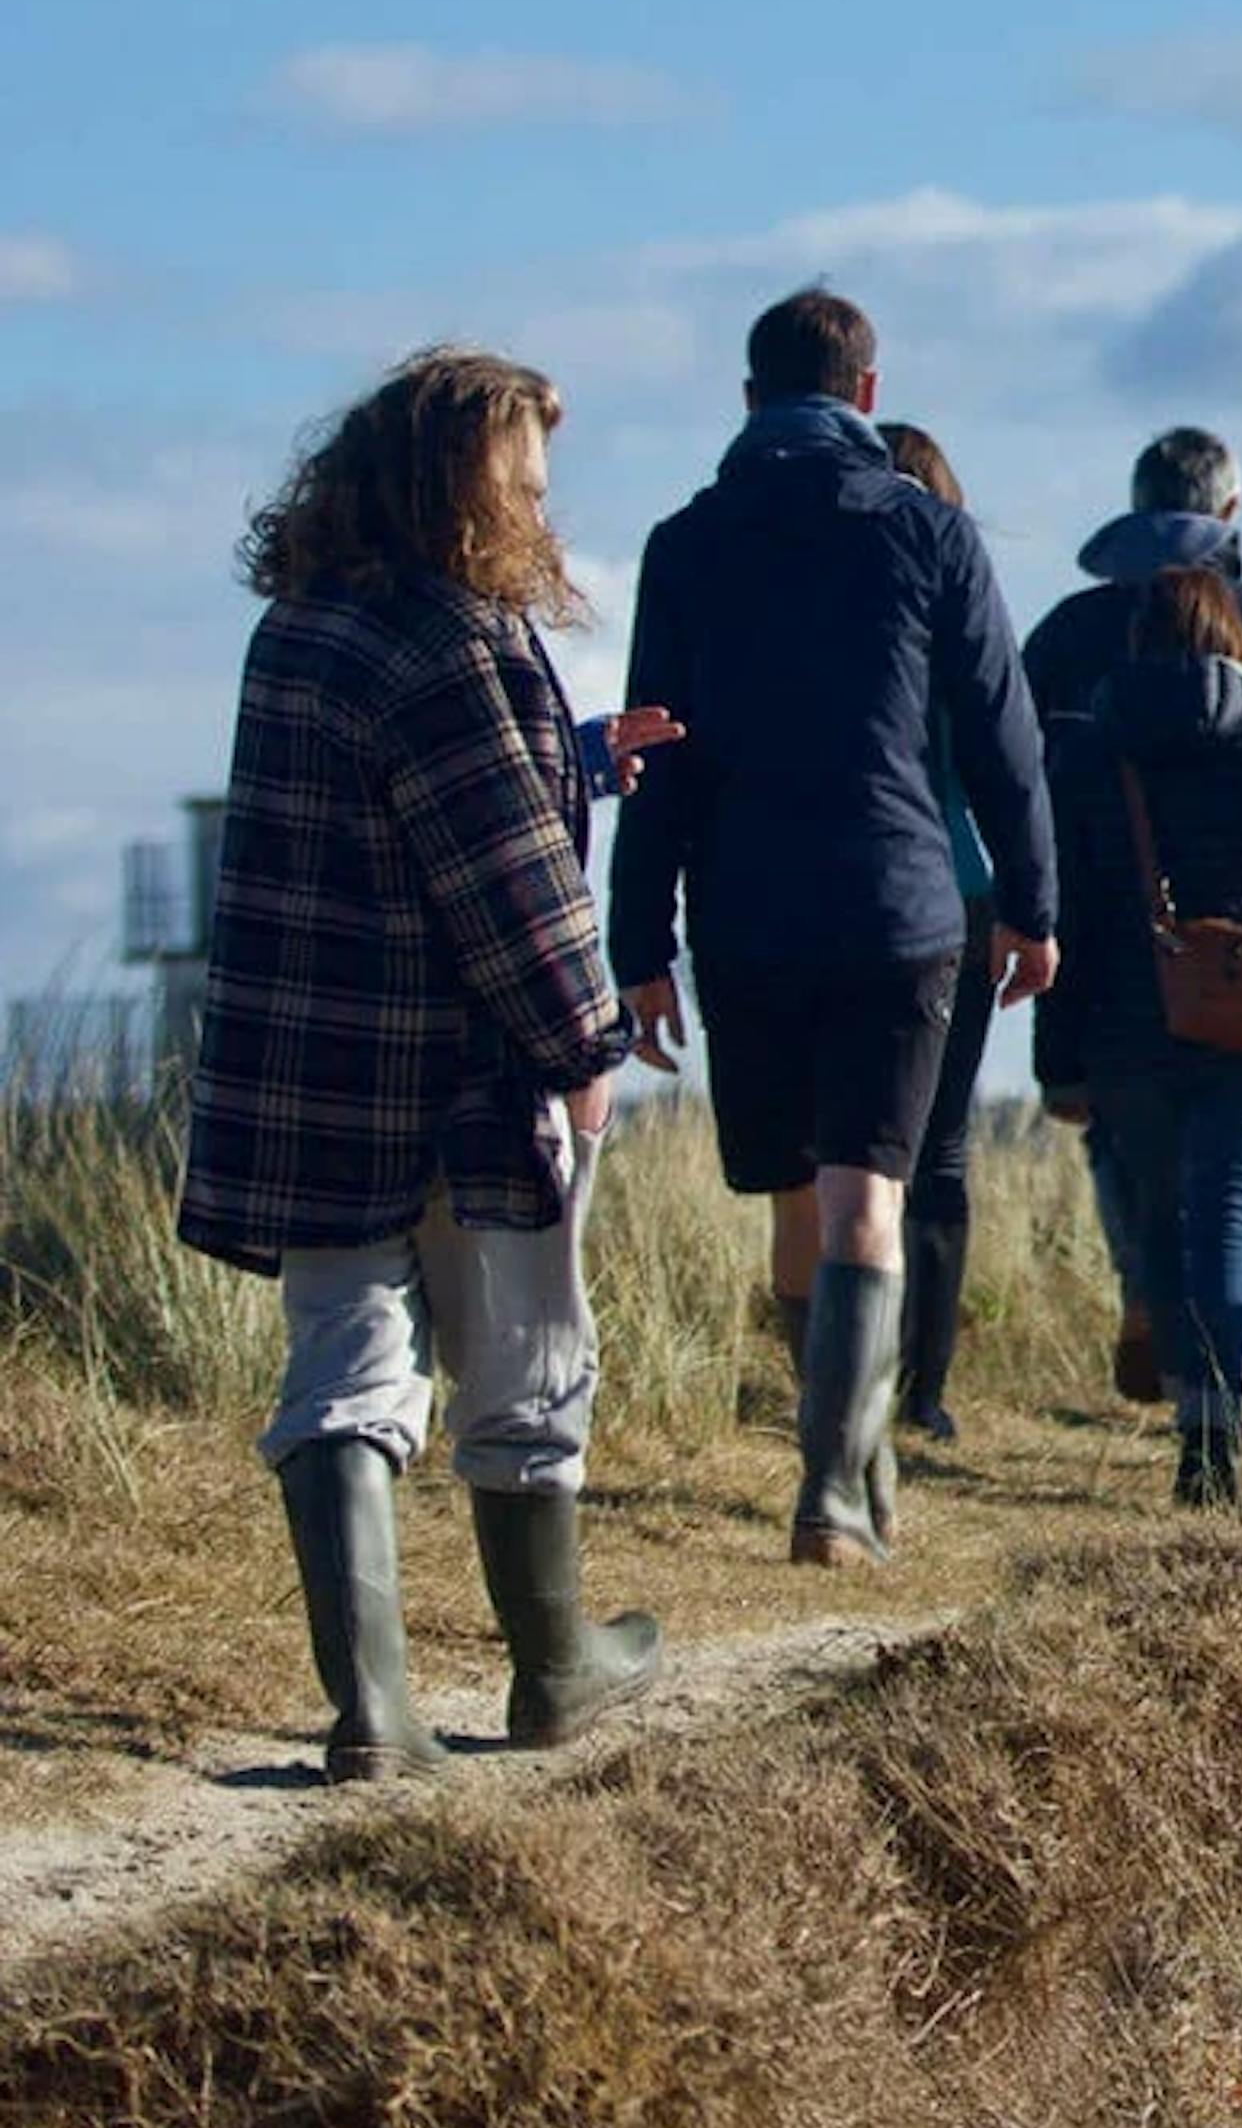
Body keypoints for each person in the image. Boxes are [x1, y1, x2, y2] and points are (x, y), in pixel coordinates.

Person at [180, 348, 667, 1781]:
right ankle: (556, 1667)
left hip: (308, 1072)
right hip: (463, 1076)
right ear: (462, 485)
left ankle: (375, 1713)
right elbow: (501, 881)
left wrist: (564, 756)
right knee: (524, 1366)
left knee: (345, 1367)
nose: (540, 502)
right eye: (524, 476)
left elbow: (384, 816)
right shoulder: (454, 646)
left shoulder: (303, 628)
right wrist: (588, 1042)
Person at [611, 289, 1058, 1569]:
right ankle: (838, 1489)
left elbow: (657, 756)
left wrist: (637, 944)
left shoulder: (684, 544)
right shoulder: (929, 532)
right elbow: (1003, 735)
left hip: (744, 911)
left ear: (750, 402)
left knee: (797, 1204)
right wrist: (1033, 902)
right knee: (873, 1190)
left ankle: (846, 1464)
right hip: (899, 909)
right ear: (869, 394)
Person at [1036, 570, 1242, 1511]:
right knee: (1230, 1220)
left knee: (1163, 1232)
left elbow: (1070, 918)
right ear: (1237, 641)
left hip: (1127, 1029)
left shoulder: (1090, 755)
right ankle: (1213, 1436)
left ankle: (1193, 1410)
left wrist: (1060, 1061)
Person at [1024, 427, 1242, 1407]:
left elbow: (1031, 804)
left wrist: (1050, 1036)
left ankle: (1149, 1293)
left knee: (1133, 1172)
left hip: (1113, 984)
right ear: (1229, 513)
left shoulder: (1068, 633)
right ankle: (1214, 1399)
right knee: (1234, 1203)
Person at [875, 422, 987, 1447]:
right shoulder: (958, 584)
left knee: (866, 1150)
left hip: (863, 886)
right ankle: (924, 1387)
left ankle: (875, 1377)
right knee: (939, 1148)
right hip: (960, 883)